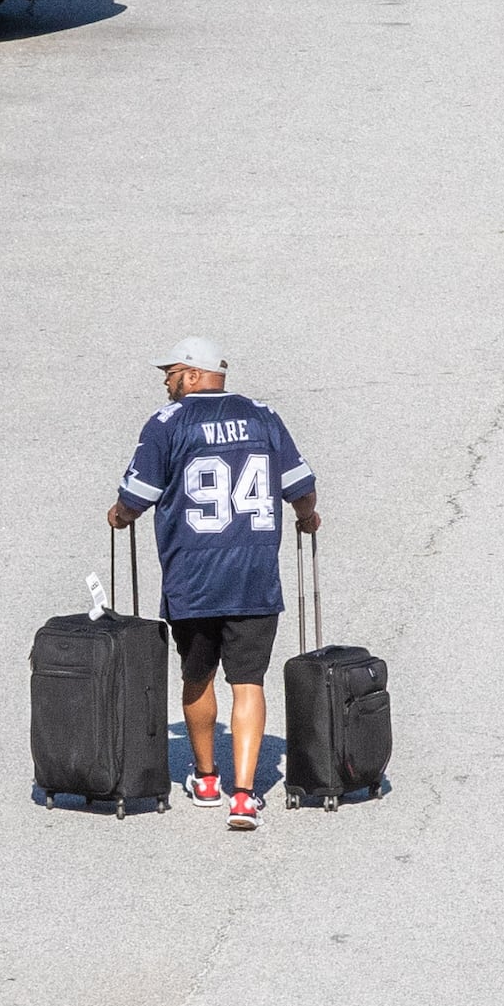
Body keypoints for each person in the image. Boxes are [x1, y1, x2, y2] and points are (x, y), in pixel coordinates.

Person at [105, 336, 316, 831]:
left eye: (173, 371)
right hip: (254, 575)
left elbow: (137, 496)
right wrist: (309, 519)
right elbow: (301, 489)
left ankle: (205, 777)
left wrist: (118, 516)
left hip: (193, 577)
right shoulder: (263, 416)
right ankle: (244, 797)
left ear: (196, 375)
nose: (166, 380)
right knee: (249, 682)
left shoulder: (168, 423)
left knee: (196, 675)